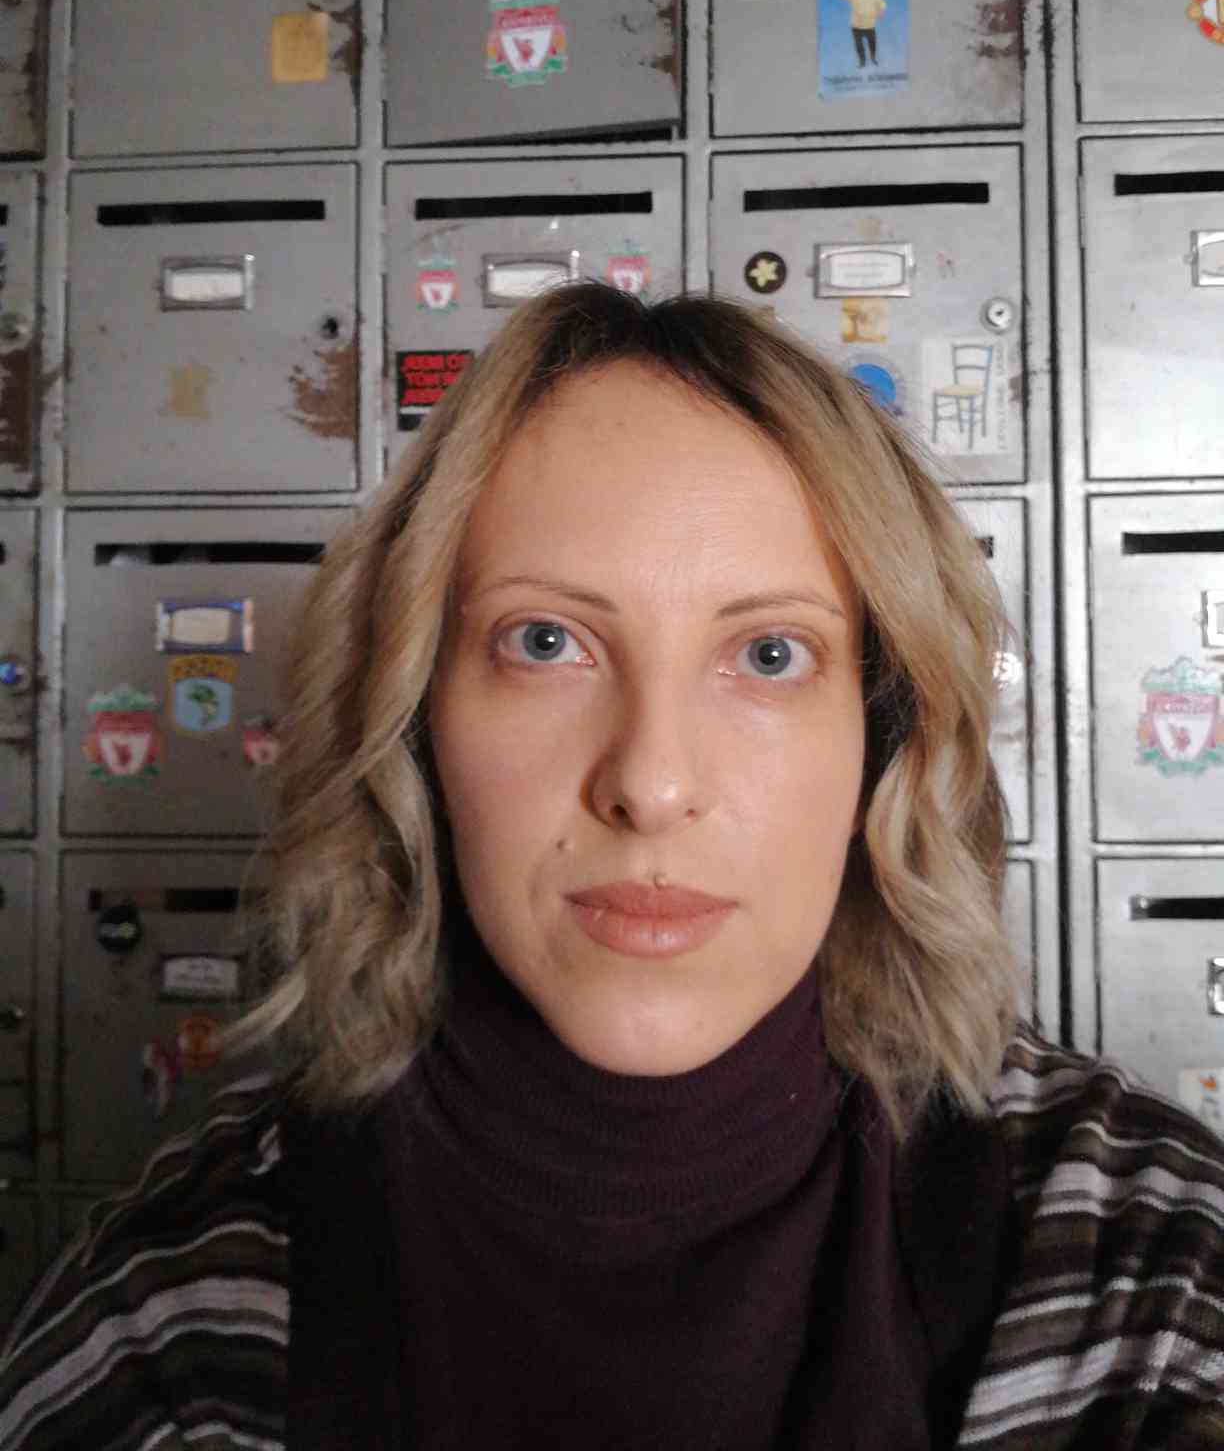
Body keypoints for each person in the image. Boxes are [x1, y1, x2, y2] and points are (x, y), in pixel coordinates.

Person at [2, 285, 1224, 1449]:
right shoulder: (171, 1320)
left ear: (882, 735)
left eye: (771, 654)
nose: (651, 781)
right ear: (412, 719)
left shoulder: (1148, 1264)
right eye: (546, 642)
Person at [841, 0, 887, 67]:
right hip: (856, 26)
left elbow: (882, 3)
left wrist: (881, 11)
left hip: (870, 26)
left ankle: (873, 58)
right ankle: (862, 61)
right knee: (859, 46)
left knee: (872, 44)